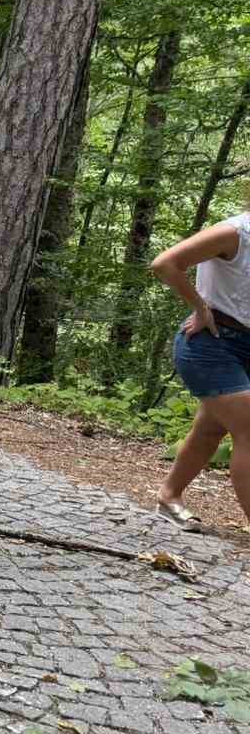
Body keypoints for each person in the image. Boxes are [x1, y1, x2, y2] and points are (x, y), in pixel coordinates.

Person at [149, 214, 250, 530]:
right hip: (211, 344)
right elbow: (165, 263)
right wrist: (201, 307)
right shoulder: (234, 233)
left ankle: (169, 496)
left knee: (210, 430)